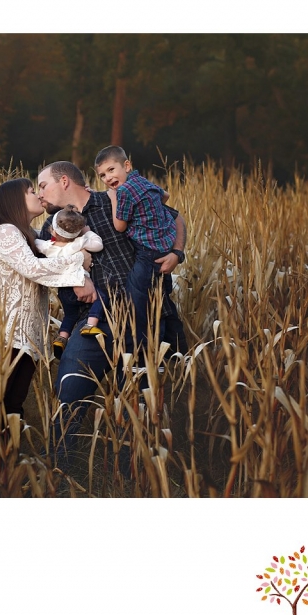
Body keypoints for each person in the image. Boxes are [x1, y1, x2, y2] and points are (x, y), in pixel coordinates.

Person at [36, 160, 188, 469]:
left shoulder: (116, 200)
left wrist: (177, 252)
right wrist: (77, 278)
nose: (40, 193)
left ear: (64, 182)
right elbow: (42, 265)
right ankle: (58, 470)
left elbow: (175, 217)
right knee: (70, 387)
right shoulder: (52, 224)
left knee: (138, 400)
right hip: (93, 321)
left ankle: (133, 471)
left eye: (43, 185)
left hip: (142, 318)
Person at [0, 177, 95, 494]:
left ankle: (1, 472)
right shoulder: (7, 232)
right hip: (5, 333)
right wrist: (79, 270)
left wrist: (76, 255)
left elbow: (50, 259)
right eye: (30, 191)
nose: (38, 194)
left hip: (24, 335)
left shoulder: (27, 235)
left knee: (11, 405)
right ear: (13, 200)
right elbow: (36, 270)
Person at [95, 145, 185, 349]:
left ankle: (148, 349)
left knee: (137, 301)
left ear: (126, 165)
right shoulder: (141, 181)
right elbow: (166, 195)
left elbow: (119, 226)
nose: (108, 179)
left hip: (147, 253)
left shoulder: (123, 191)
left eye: (111, 170)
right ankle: (175, 351)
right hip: (164, 246)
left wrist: (113, 198)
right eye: (102, 175)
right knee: (160, 298)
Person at [33, 204, 107, 359]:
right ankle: (90, 325)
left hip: (64, 290)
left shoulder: (48, 246)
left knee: (69, 315)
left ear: (53, 230)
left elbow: (35, 243)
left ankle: (62, 337)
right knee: (101, 297)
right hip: (79, 283)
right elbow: (98, 245)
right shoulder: (78, 243)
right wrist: (88, 232)